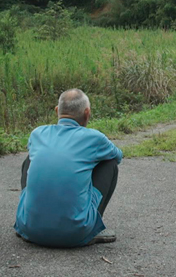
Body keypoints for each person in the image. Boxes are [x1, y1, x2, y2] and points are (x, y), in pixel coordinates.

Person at [14, 88, 123, 247]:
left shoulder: (38, 133)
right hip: (75, 234)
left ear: (57, 111)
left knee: (30, 159)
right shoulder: (94, 138)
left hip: (28, 228)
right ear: (87, 113)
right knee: (109, 163)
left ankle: (32, 219)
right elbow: (118, 156)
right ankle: (92, 229)